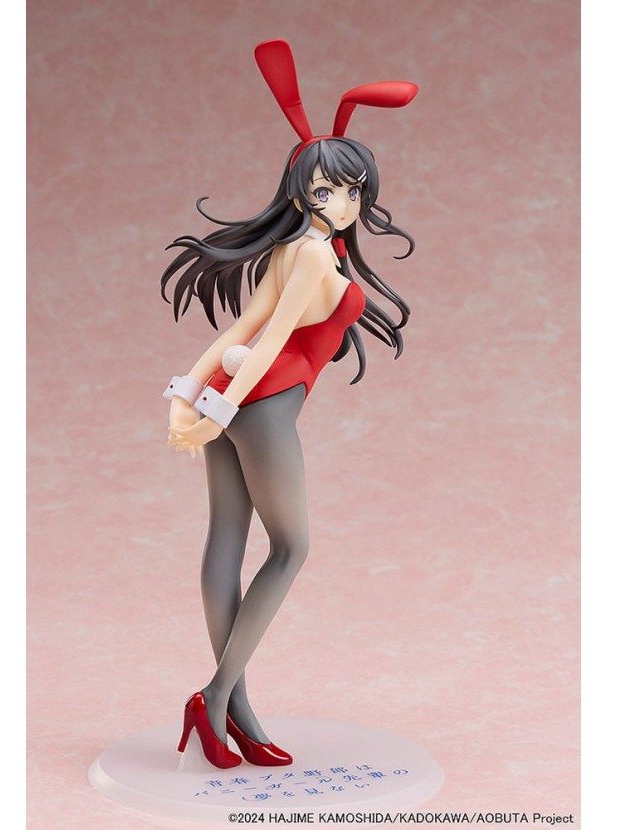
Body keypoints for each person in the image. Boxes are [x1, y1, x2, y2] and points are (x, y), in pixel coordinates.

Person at [160, 39, 417, 769]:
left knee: (228, 537)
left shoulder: (300, 247)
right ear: (303, 192)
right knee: (292, 547)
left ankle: (231, 713)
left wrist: (190, 393)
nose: (347, 203)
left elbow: (239, 329)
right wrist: (210, 409)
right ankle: (215, 698)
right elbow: (268, 337)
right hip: (262, 406)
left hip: (239, 399)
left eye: (355, 191)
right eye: (331, 190)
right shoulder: (309, 252)